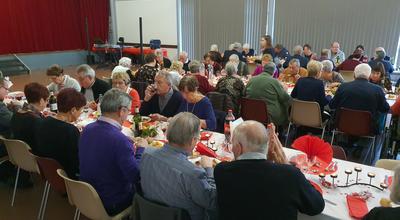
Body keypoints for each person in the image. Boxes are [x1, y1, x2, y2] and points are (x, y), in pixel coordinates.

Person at [214, 120, 325, 220]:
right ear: (267, 146)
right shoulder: (290, 175)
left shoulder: (221, 171)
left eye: (233, 145)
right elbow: (316, 206)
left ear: (238, 148)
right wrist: (285, 163)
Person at [79, 89, 145, 216]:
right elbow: (136, 176)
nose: (128, 114)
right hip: (112, 201)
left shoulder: (87, 129)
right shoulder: (119, 140)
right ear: (121, 111)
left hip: (86, 196)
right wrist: (141, 149)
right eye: (128, 110)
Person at [140, 112, 217, 220]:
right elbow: (212, 202)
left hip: (149, 214)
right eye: (197, 138)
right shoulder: (193, 173)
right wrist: (209, 169)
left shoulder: (146, 154)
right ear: (192, 140)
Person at [329, 64, 389, 163]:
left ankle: (348, 144)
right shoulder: (377, 90)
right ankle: (360, 146)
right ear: (369, 75)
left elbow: (332, 105)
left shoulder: (343, 87)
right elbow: (385, 109)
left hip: (342, 125)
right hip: (367, 128)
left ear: (354, 74)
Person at [36, 88, 86, 179]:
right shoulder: (70, 131)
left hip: (49, 172)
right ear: (73, 110)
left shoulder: (44, 122)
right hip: (69, 176)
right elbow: (77, 161)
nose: (80, 114)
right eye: (81, 111)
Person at [246, 62, 291, 127]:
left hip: (250, 112)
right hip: (269, 116)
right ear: (274, 71)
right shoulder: (274, 82)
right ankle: (283, 131)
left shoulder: (251, 80)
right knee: (285, 104)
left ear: (263, 69)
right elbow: (286, 99)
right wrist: (285, 90)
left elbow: (244, 95)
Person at [11, 83, 49, 153]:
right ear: (41, 101)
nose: (47, 103)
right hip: (36, 158)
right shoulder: (36, 121)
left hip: (21, 155)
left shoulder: (16, 114)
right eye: (47, 100)